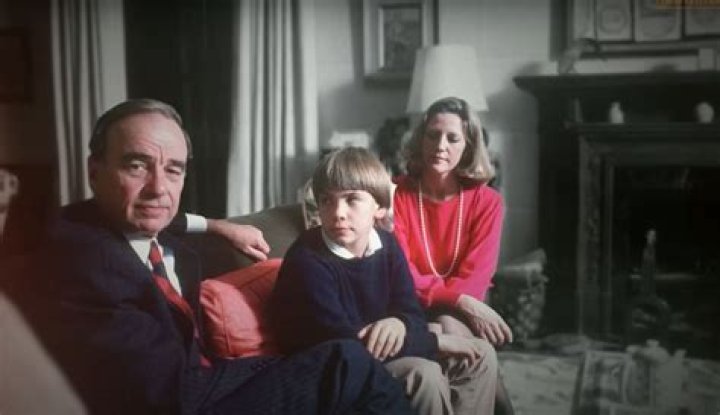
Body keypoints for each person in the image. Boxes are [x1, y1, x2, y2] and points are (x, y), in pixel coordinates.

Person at [18, 99, 415, 415]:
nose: (158, 188)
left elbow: (162, 216)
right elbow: (161, 395)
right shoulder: (73, 257)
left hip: (197, 387)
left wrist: (217, 226)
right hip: (175, 402)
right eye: (136, 165)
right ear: (94, 171)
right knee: (345, 362)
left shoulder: (138, 229)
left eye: (173, 170)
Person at [269, 147, 499, 415]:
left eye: (352, 199)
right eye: (327, 201)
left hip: (378, 352)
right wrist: (435, 342)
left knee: (480, 355)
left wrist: (399, 322)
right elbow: (344, 343)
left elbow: (411, 311)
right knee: (423, 374)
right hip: (334, 368)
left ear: (379, 207)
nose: (338, 212)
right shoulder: (306, 260)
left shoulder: (387, 245)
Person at [392, 96, 514, 414]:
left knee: (446, 324)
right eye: (433, 135)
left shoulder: (487, 202)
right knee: (464, 342)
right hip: (407, 304)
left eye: (452, 138)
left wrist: (454, 306)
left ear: (468, 145)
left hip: (462, 310)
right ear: (420, 139)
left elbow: (475, 279)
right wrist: (457, 303)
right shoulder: (395, 194)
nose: (440, 146)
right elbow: (401, 273)